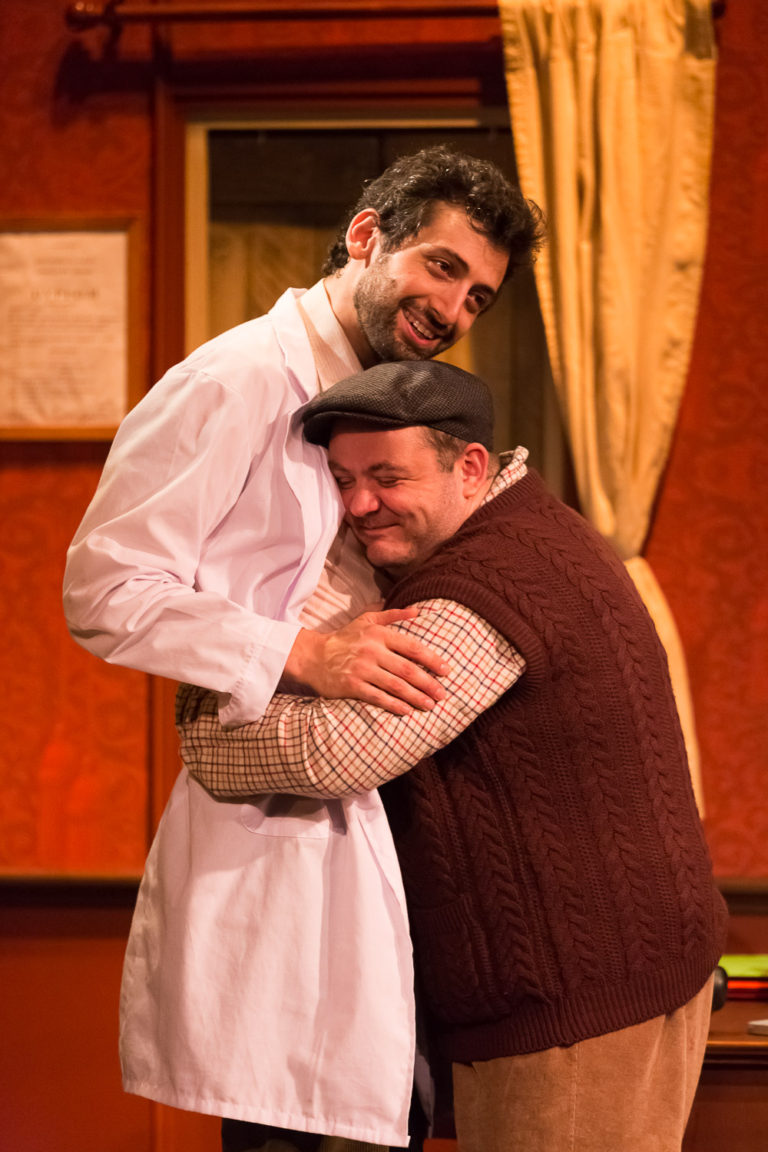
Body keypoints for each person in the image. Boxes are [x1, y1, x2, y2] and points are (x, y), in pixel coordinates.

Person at [63, 146, 544, 1151]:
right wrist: (301, 653)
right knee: (293, 1124)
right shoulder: (236, 379)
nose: (453, 310)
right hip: (270, 808)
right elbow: (104, 588)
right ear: (367, 236)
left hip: (377, 806)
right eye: (442, 268)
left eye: (478, 297)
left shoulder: (380, 402)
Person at [177, 359, 729, 1152]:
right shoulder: (531, 530)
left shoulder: (485, 585)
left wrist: (207, 715)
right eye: (342, 481)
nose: (358, 505)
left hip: (577, 1001)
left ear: (470, 467)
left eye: (387, 477)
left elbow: (334, 753)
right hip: (610, 975)